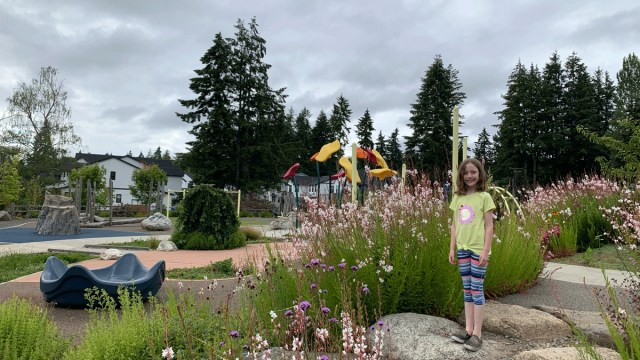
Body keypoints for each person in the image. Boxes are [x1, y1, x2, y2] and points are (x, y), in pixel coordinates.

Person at [448, 158, 495, 352]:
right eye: (466, 173)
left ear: (480, 174)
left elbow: (490, 226)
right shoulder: (458, 198)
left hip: (478, 250)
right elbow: (454, 225)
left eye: (473, 172)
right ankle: (467, 330)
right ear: (461, 176)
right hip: (462, 248)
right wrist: (452, 248)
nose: (469, 176)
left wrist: (485, 250)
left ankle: (477, 334)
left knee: (477, 289)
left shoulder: (485, 197)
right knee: (467, 289)